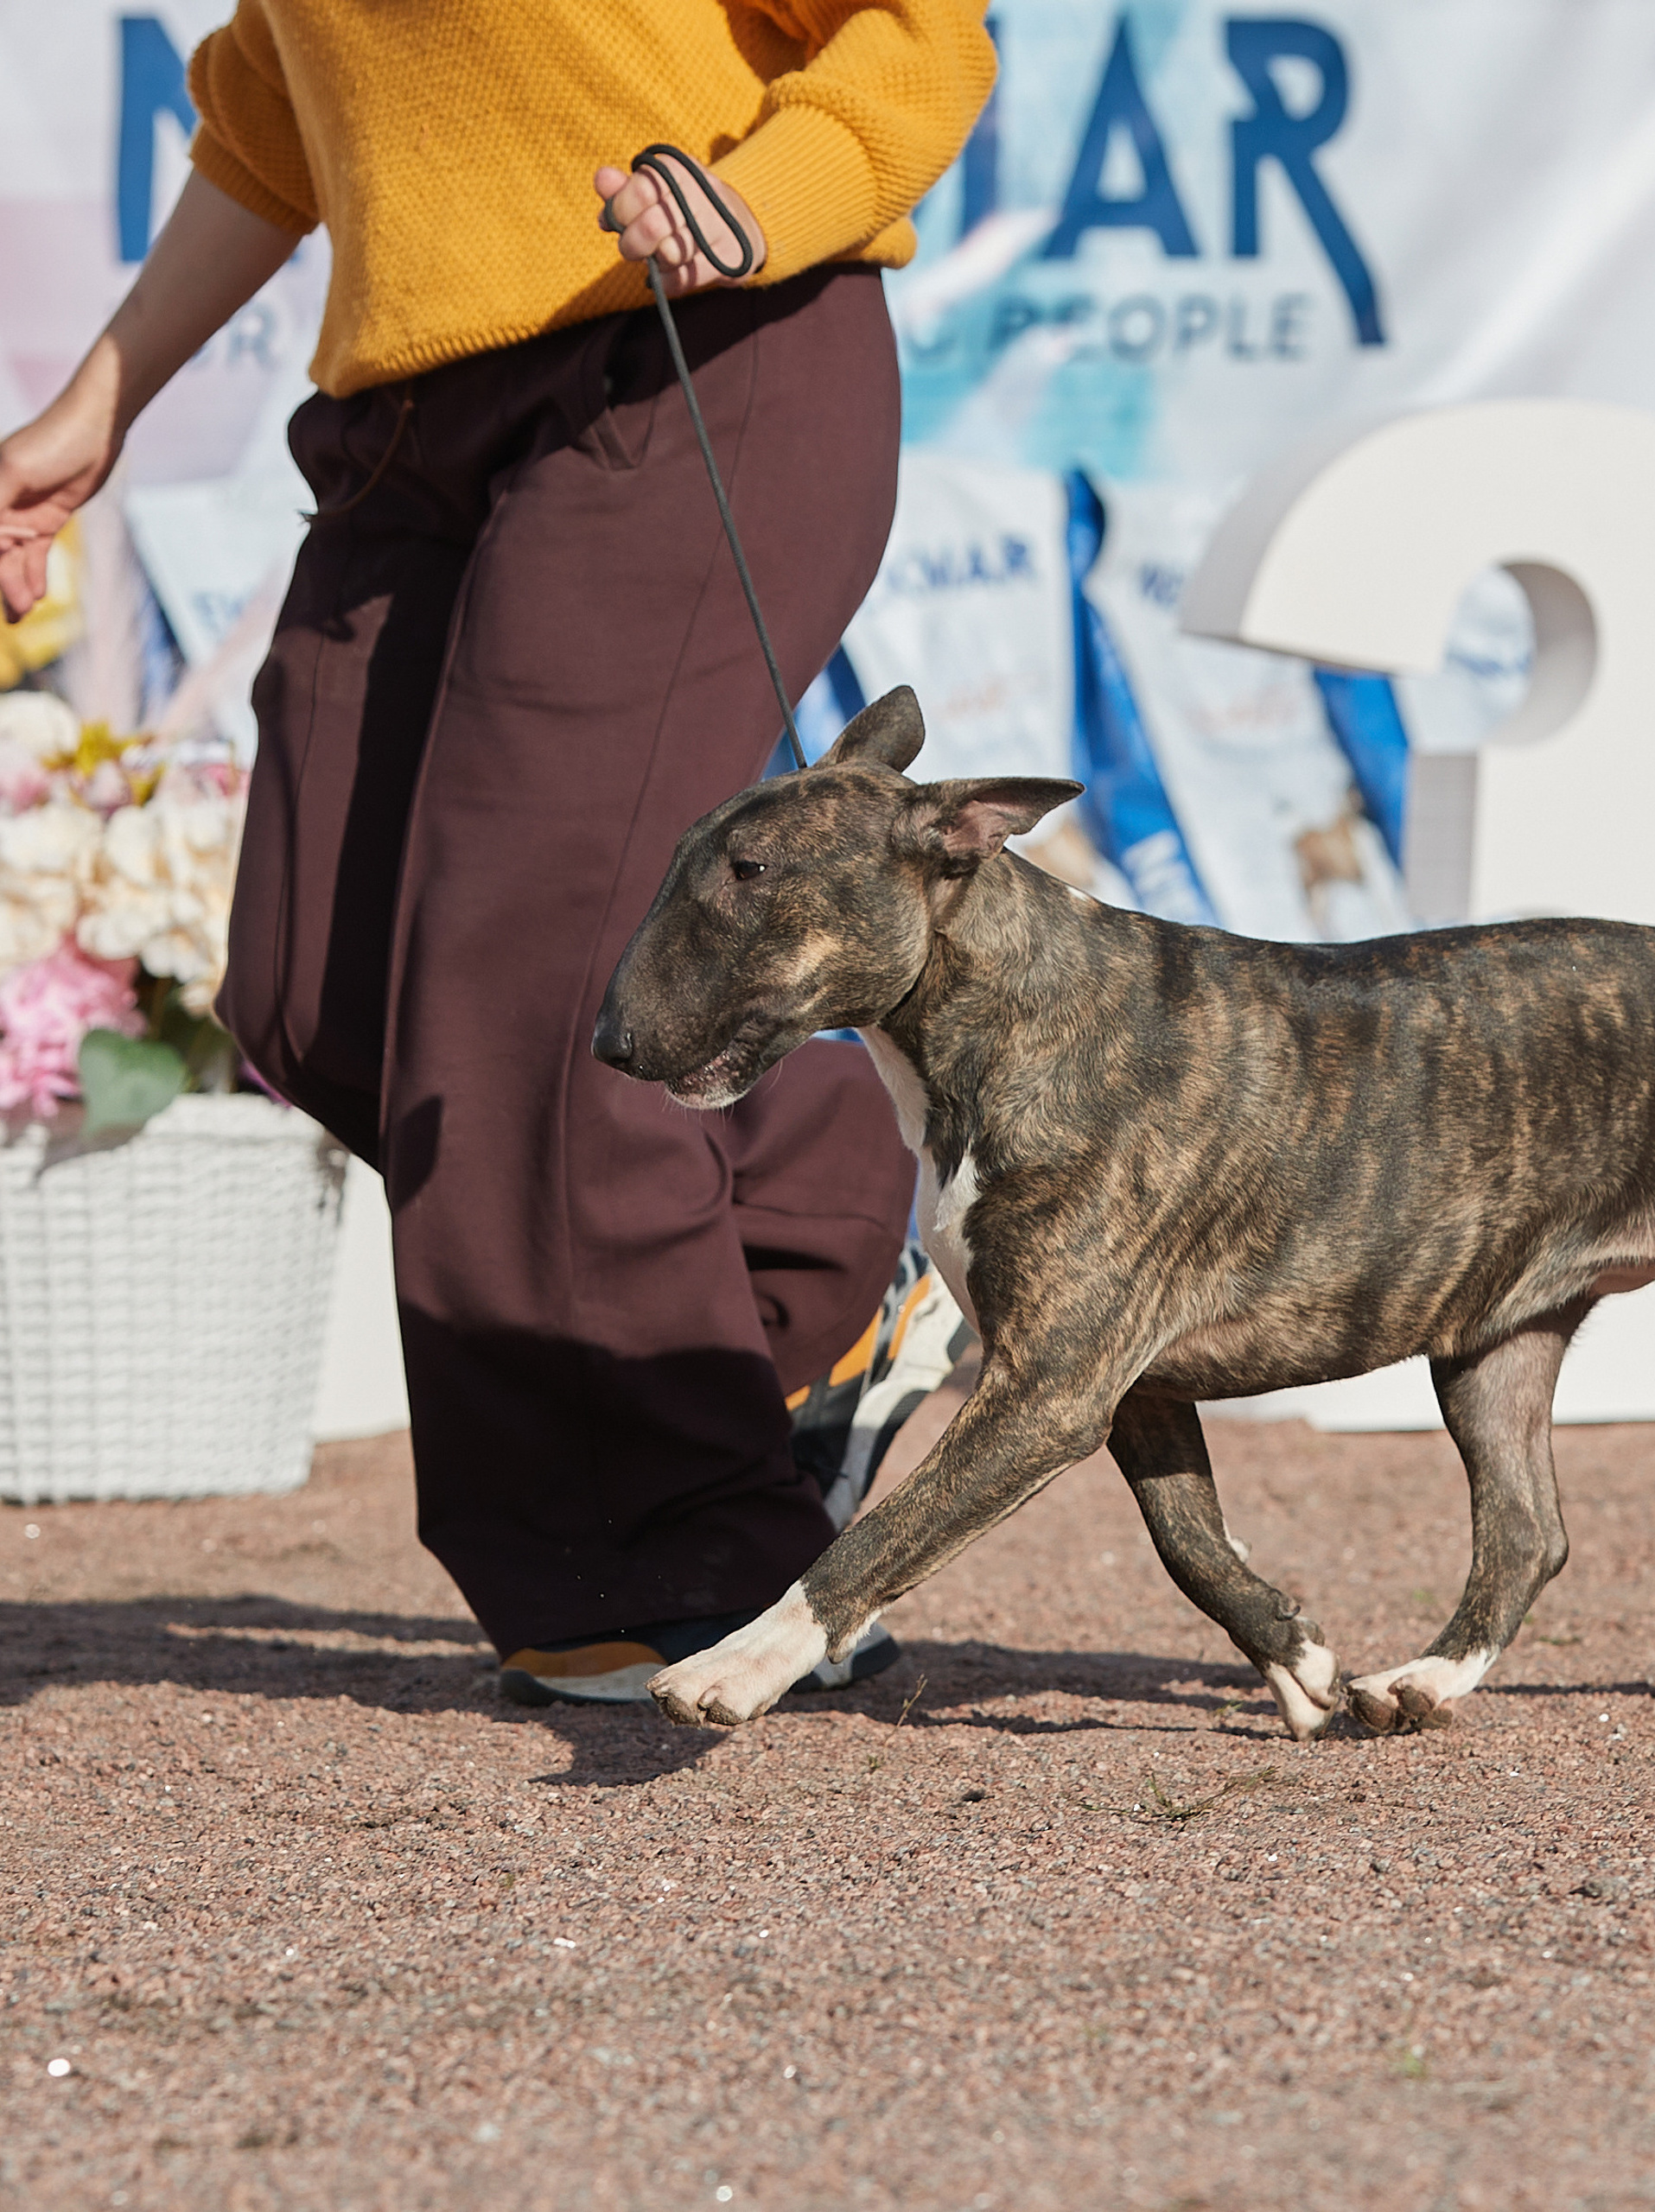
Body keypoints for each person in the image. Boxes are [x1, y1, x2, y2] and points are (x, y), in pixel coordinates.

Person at [0, 1, 995, 1705]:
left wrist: (761, 191)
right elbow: (275, 114)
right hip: (415, 415)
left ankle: (686, 1570)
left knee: (530, 995)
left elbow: (920, 33)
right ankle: (850, 1216)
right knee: (319, 988)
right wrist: (93, 407)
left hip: (696, 351)